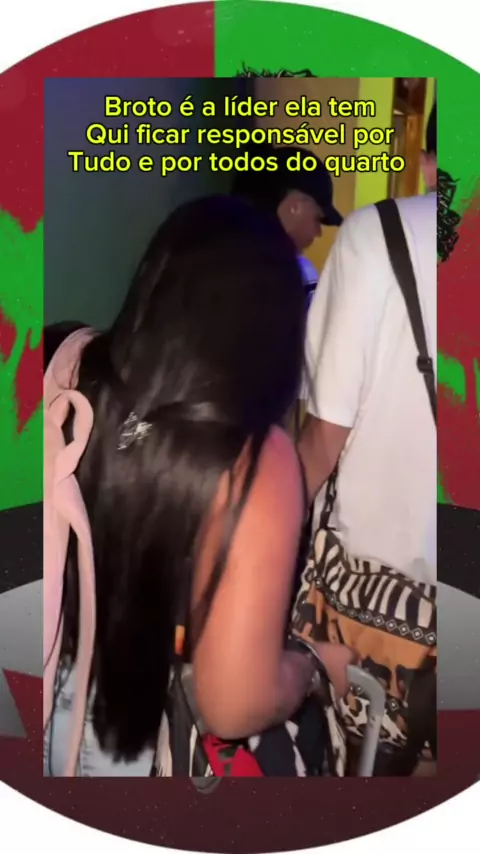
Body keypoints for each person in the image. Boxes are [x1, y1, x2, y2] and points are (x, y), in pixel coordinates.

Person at [43, 195, 353, 777]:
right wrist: (310, 664)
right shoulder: (254, 464)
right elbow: (232, 705)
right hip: (122, 752)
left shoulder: (58, 363)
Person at [298, 104, 437, 586]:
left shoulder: (377, 233)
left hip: (372, 578)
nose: (319, 229)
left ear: (428, 164)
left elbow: (326, 431)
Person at [231, 143, 343, 303]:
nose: (318, 232)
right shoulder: (298, 273)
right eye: (317, 219)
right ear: (294, 207)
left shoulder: (214, 256)